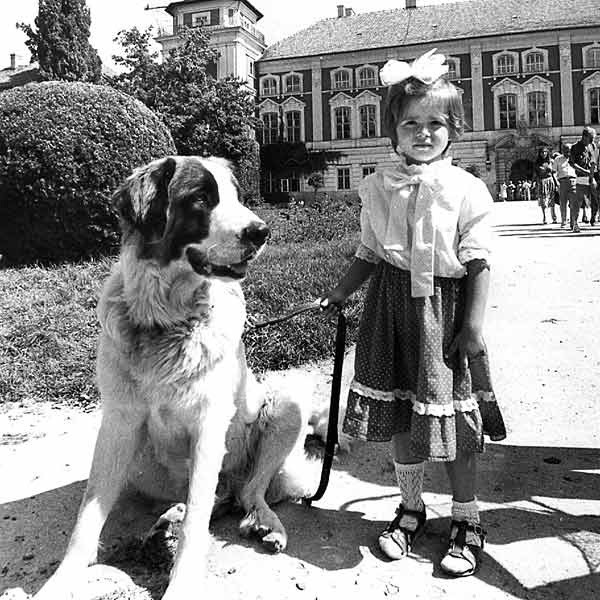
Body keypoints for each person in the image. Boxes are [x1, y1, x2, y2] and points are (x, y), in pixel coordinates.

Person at [320, 49, 506, 578]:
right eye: (411, 124)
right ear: (393, 133)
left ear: (454, 129)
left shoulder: (468, 188)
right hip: (390, 309)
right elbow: (369, 252)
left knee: (453, 419)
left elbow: (478, 260)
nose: (423, 133)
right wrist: (338, 295)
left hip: (445, 313)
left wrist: (472, 327)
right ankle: (410, 508)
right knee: (404, 411)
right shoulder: (377, 186)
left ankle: (466, 517)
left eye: (435, 124)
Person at [570, 126, 598, 229]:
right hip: (581, 177)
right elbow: (572, 163)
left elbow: (594, 160)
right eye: (591, 138)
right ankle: (575, 223)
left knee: (595, 199)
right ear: (584, 137)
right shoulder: (575, 147)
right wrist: (585, 171)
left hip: (592, 177)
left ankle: (593, 218)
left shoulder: (592, 146)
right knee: (578, 202)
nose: (592, 140)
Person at [552, 143, 577, 228]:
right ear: (562, 151)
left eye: (569, 151)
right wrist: (557, 183)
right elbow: (554, 172)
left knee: (573, 203)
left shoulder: (575, 158)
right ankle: (564, 221)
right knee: (563, 203)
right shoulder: (558, 159)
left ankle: (573, 222)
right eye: (565, 151)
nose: (567, 153)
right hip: (562, 182)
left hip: (573, 181)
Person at [534, 146, 557, 224]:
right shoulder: (537, 163)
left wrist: (557, 183)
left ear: (547, 153)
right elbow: (537, 174)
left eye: (545, 152)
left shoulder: (551, 161)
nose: (543, 153)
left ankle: (554, 217)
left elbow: (555, 172)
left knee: (552, 199)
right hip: (542, 182)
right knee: (543, 201)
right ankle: (545, 217)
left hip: (550, 181)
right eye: (542, 152)